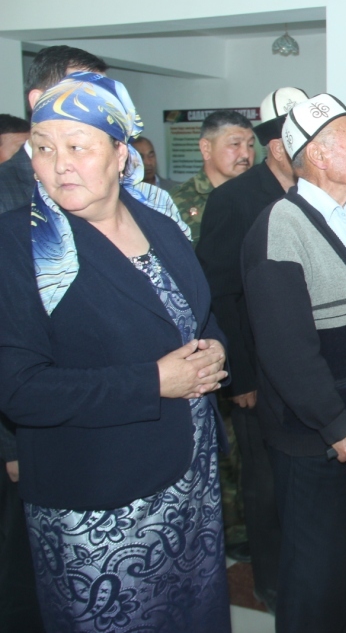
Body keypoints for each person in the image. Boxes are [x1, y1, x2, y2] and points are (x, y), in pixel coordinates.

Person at [0, 71, 230, 632]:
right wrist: (154, 381)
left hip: (190, 480)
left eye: (78, 147)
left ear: (120, 154)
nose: (60, 165)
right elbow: (20, 388)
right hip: (99, 497)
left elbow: (198, 313)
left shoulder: (158, 221)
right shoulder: (20, 242)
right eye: (44, 149)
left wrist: (217, 350)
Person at [242, 94, 346, 632]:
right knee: (317, 575)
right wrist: (337, 424)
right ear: (321, 156)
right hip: (318, 438)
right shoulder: (281, 227)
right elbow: (287, 350)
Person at [0, 45, 107, 633]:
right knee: (29, 580)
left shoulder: (115, 190)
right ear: (39, 102)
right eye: (85, 94)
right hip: (31, 430)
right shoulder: (8, 197)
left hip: (103, 420)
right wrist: (11, 447)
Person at [196, 86, 308, 610]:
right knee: (263, 479)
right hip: (257, 369)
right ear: (278, 146)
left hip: (306, 362)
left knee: (302, 475)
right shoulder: (234, 199)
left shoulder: (312, 193)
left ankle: (306, 567)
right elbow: (219, 293)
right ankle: (271, 579)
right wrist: (238, 374)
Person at [0, 45, 108, 215]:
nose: (101, 110)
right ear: (39, 101)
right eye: (83, 97)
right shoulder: (5, 189)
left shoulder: (114, 177)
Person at [171, 110, 255, 245]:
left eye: (250, 145)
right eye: (235, 144)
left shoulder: (259, 195)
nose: (246, 154)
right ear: (206, 148)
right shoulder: (176, 202)